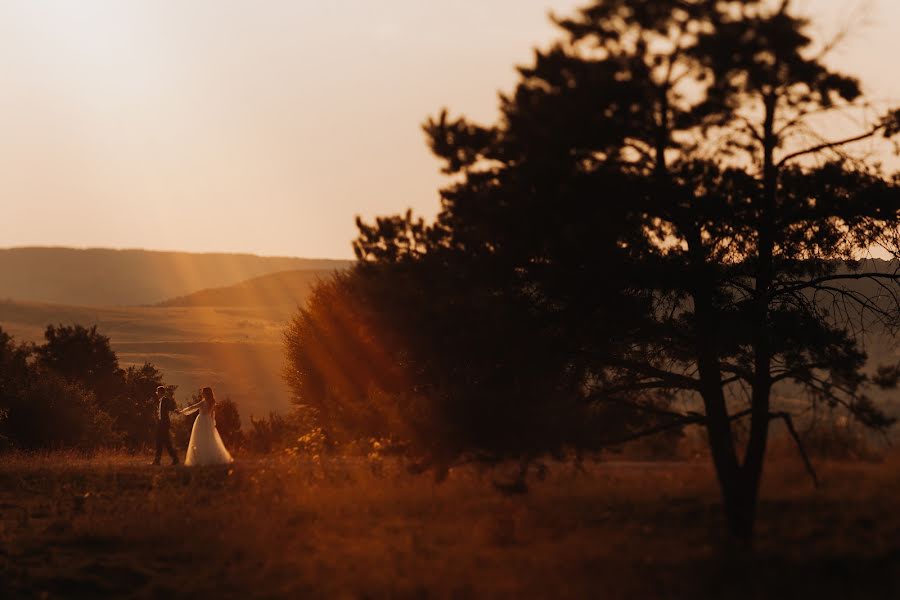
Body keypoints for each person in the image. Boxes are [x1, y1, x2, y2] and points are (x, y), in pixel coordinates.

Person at [177, 386, 234, 466]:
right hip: (208, 421)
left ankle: (201, 457)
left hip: (201, 420)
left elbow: (193, 407)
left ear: (206, 393)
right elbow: (212, 413)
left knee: (200, 438)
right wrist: (212, 422)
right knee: (209, 438)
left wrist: (182, 411)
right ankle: (211, 456)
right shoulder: (212, 401)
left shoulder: (203, 402)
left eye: (203, 392)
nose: (202, 393)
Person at [152, 386, 179, 466]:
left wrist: (175, 410)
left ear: (160, 392)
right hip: (160, 423)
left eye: (157, 392)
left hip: (164, 424)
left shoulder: (165, 400)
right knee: (159, 442)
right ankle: (157, 461)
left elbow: (170, 407)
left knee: (166, 442)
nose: (157, 394)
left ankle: (175, 459)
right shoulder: (160, 401)